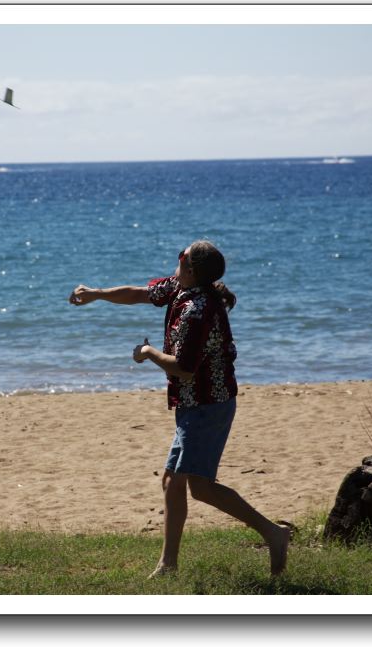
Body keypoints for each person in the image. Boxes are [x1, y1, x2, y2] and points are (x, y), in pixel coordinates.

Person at [68, 240, 291, 578]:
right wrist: (97, 294)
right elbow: (140, 293)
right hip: (196, 404)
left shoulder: (198, 310)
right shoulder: (181, 287)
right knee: (177, 483)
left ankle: (271, 533)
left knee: (189, 485)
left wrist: (147, 352)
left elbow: (183, 368)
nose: (176, 262)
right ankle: (169, 564)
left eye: (180, 257)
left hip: (208, 405)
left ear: (190, 268)